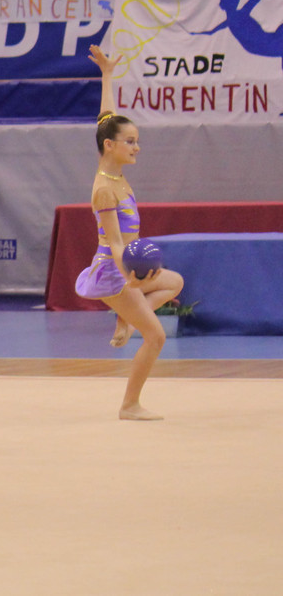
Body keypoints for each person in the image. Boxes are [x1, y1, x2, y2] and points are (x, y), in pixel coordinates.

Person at [74, 46, 184, 421]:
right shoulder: (105, 189)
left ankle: (126, 319)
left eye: (136, 140)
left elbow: (106, 117)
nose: (137, 147)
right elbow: (116, 243)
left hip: (123, 266)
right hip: (113, 268)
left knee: (175, 282)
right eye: (131, 141)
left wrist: (107, 74)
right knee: (156, 337)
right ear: (111, 146)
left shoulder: (115, 170)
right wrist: (132, 278)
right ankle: (129, 405)